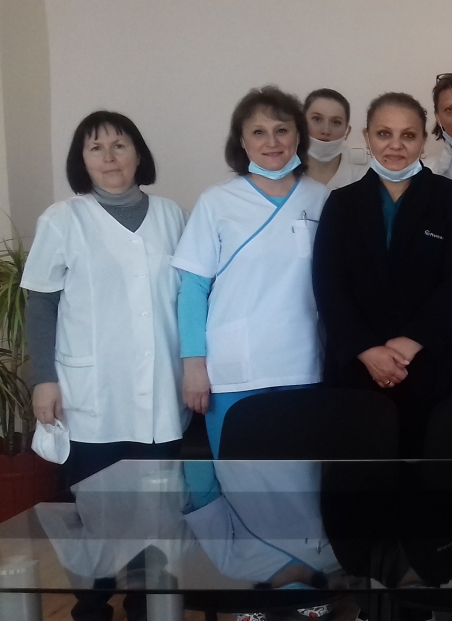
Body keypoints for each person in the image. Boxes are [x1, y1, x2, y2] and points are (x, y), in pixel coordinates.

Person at [21, 111, 187, 621]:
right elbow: (41, 302)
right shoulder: (62, 219)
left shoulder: (171, 215)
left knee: (156, 511)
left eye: (120, 144)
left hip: (160, 391)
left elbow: (189, 298)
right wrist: (43, 379)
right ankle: (91, 608)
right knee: (93, 511)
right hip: (91, 392)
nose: (110, 157)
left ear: (139, 153)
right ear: (83, 160)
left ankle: (144, 605)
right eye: (96, 148)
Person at [313, 92, 452, 457]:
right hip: (360, 368)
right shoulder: (341, 203)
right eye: (384, 134)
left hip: (434, 365)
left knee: (437, 476)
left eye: (408, 135)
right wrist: (367, 350)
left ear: (423, 140)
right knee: (362, 477)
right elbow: (328, 288)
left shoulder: (450, 198)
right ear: (367, 137)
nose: (395, 145)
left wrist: (411, 342)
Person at [171, 86, 329, 457]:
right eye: (258, 132)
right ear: (242, 142)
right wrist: (193, 366)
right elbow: (192, 288)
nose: (272, 142)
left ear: (298, 136)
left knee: (301, 480)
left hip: (303, 366)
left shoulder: (321, 199)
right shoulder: (217, 201)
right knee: (239, 477)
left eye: (282, 130)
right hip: (234, 370)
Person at [302, 88, 368, 189]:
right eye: (317, 119)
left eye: (336, 122)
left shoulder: (363, 177)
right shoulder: (285, 173)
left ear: (347, 131)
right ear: (302, 124)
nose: (326, 130)